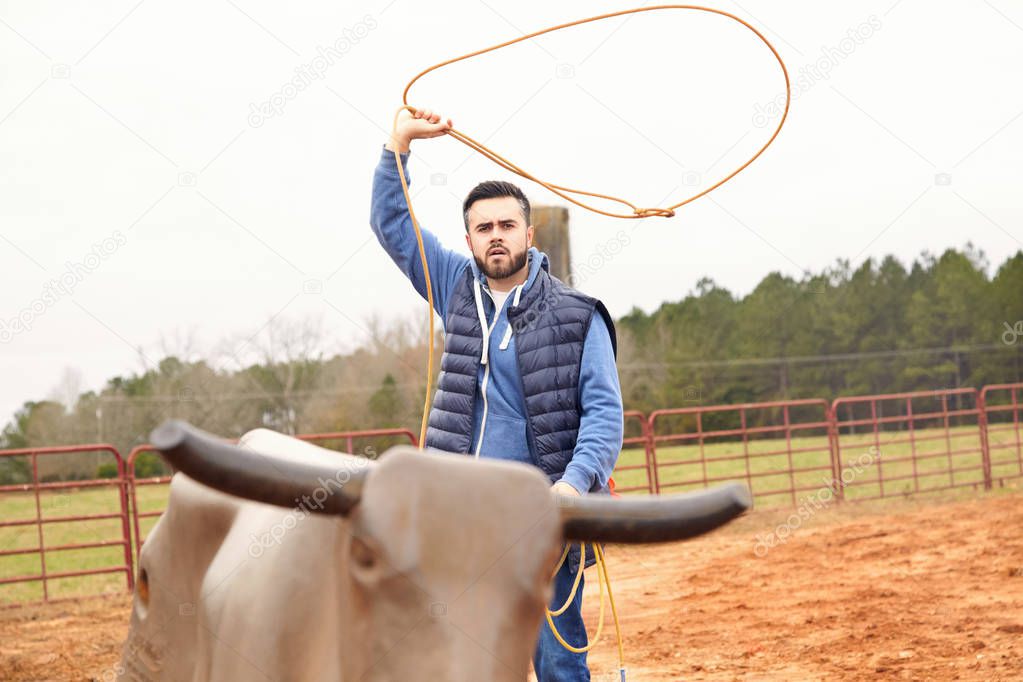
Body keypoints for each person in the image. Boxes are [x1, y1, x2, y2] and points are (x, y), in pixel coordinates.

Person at [369, 107, 624, 681]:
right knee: (466, 661)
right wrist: (399, 145)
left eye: (507, 226)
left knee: (557, 660)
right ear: (468, 239)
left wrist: (573, 485)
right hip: (462, 517)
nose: (496, 237)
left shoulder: (579, 316)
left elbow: (604, 416)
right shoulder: (455, 288)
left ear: (529, 235)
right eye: (484, 228)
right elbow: (391, 224)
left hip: (547, 517)